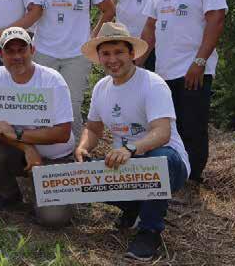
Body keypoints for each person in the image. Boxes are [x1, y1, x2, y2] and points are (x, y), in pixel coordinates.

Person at [75, 22, 189, 261]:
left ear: (132, 54)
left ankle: (150, 231)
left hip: (169, 165)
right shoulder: (101, 88)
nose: (112, 59)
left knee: (159, 160)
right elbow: (93, 128)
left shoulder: (152, 84)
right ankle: (134, 205)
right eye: (106, 53)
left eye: (119, 52)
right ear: (99, 57)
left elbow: (162, 132)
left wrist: (130, 148)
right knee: (81, 168)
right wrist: (83, 147)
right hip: (127, 167)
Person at [139, 0, 226, 184]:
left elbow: (216, 20)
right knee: (167, 127)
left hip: (194, 69)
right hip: (164, 71)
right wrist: (137, 63)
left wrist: (199, 62)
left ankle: (193, 178)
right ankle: (174, 175)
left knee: (193, 125)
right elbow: (150, 28)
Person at [0, 27, 76, 227]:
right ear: (0, 54)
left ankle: (48, 191)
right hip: (20, 153)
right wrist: (27, 148)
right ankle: (9, 194)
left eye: (22, 50)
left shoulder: (52, 79)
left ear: (32, 50)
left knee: (53, 219)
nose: (17, 56)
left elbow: (63, 133)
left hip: (56, 158)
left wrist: (18, 133)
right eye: (10, 51)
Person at [32, 0, 115, 136]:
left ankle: (75, 148)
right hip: (43, 52)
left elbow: (109, 10)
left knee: (72, 104)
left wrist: (93, 37)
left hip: (76, 55)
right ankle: (42, 145)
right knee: (43, 103)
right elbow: (29, 10)